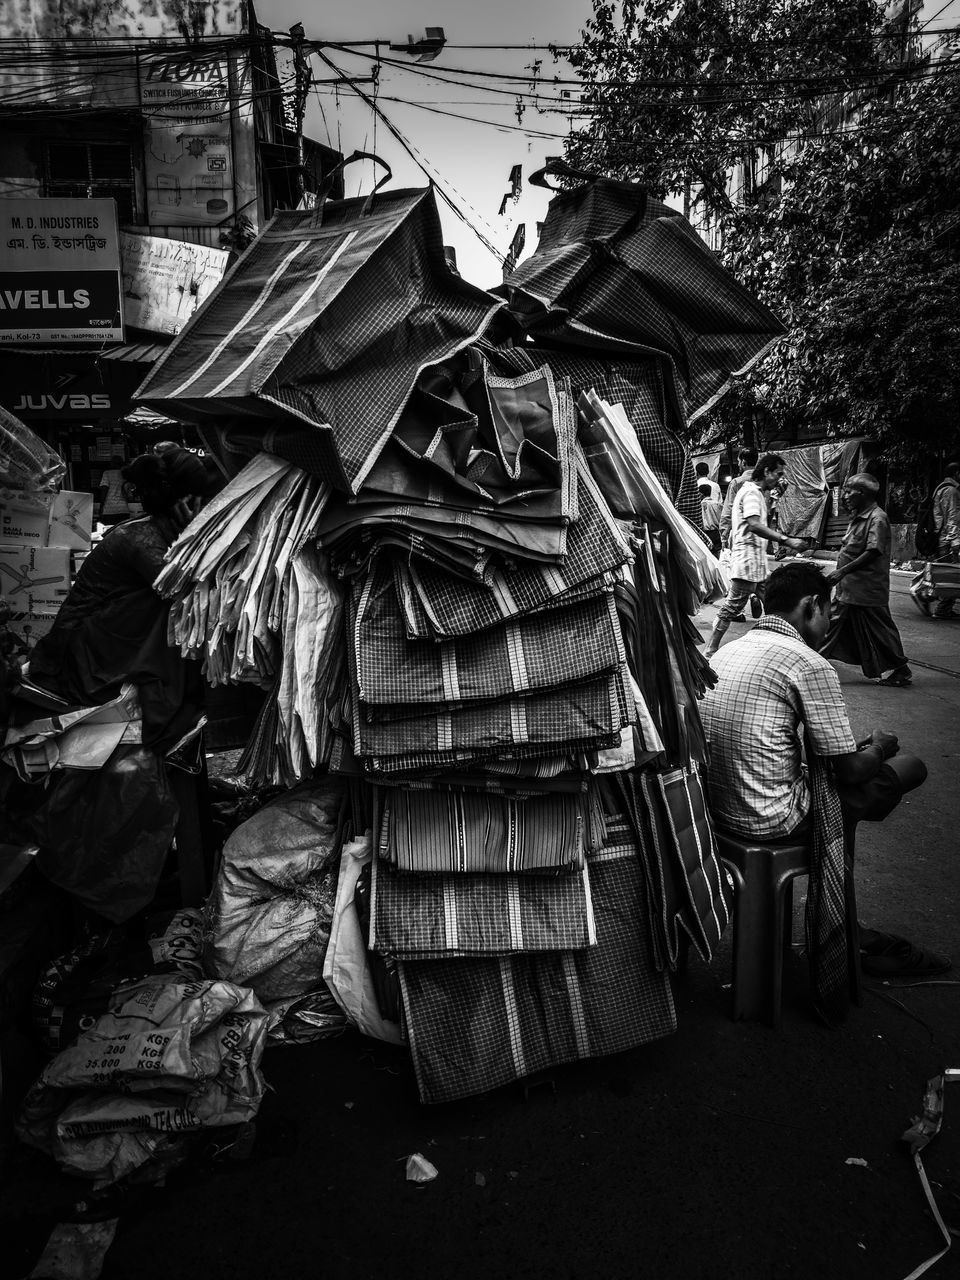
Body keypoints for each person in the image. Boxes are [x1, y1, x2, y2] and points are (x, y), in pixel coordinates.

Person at [701, 560, 949, 977]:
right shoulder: (808, 663)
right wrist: (879, 747)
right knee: (908, 766)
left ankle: (844, 926)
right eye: (829, 611)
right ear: (811, 605)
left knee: (847, 784)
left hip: (718, 811)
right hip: (770, 818)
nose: (831, 621)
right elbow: (850, 770)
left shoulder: (731, 649)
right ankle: (841, 930)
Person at [29, 447, 217, 751]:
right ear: (187, 501)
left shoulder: (159, 531)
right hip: (85, 653)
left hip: (107, 640)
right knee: (180, 606)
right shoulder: (140, 540)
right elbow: (185, 590)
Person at [703, 452, 807, 660]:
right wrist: (786, 540)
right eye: (777, 474)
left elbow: (761, 519)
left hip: (757, 563)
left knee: (773, 603)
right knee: (732, 607)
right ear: (766, 471)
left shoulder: (758, 493)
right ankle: (710, 650)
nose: (780, 479)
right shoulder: (750, 492)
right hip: (747, 563)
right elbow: (755, 525)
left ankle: (780, 644)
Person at [819, 473, 912, 686]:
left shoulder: (877, 518)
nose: (845, 496)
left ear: (863, 493)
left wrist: (842, 571)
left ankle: (901, 669)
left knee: (878, 629)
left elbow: (874, 551)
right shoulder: (859, 516)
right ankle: (814, 661)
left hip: (866, 588)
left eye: (850, 491)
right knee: (833, 624)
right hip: (850, 588)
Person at [931, 462, 960, 618]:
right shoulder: (951, 491)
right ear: (956, 474)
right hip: (948, 540)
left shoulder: (940, 489)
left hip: (942, 539)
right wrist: (954, 541)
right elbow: (952, 517)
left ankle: (936, 601)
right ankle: (942, 609)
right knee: (952, 576)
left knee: (945, 574)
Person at [719, 445, 758, 549]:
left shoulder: (737, 483)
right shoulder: (763, 482)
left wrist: (724, 535)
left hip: (740, 534)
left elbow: (728, 510)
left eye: (739, 461)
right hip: (760, 534)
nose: (739, 464)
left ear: (743, 462)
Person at [96, 455, 130, 525]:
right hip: (123, 509)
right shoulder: (125, 474)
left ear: (112, 463)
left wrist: (101, 506)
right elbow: (127, 493)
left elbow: (104, 490)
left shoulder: (107, 473)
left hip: (109, 510)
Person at [699, 480, 723, 557]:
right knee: (718, 554)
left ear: (701, 494)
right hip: (716, 532)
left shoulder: (700, 505)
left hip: (705, 533)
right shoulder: (718, 504)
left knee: (707, 554)